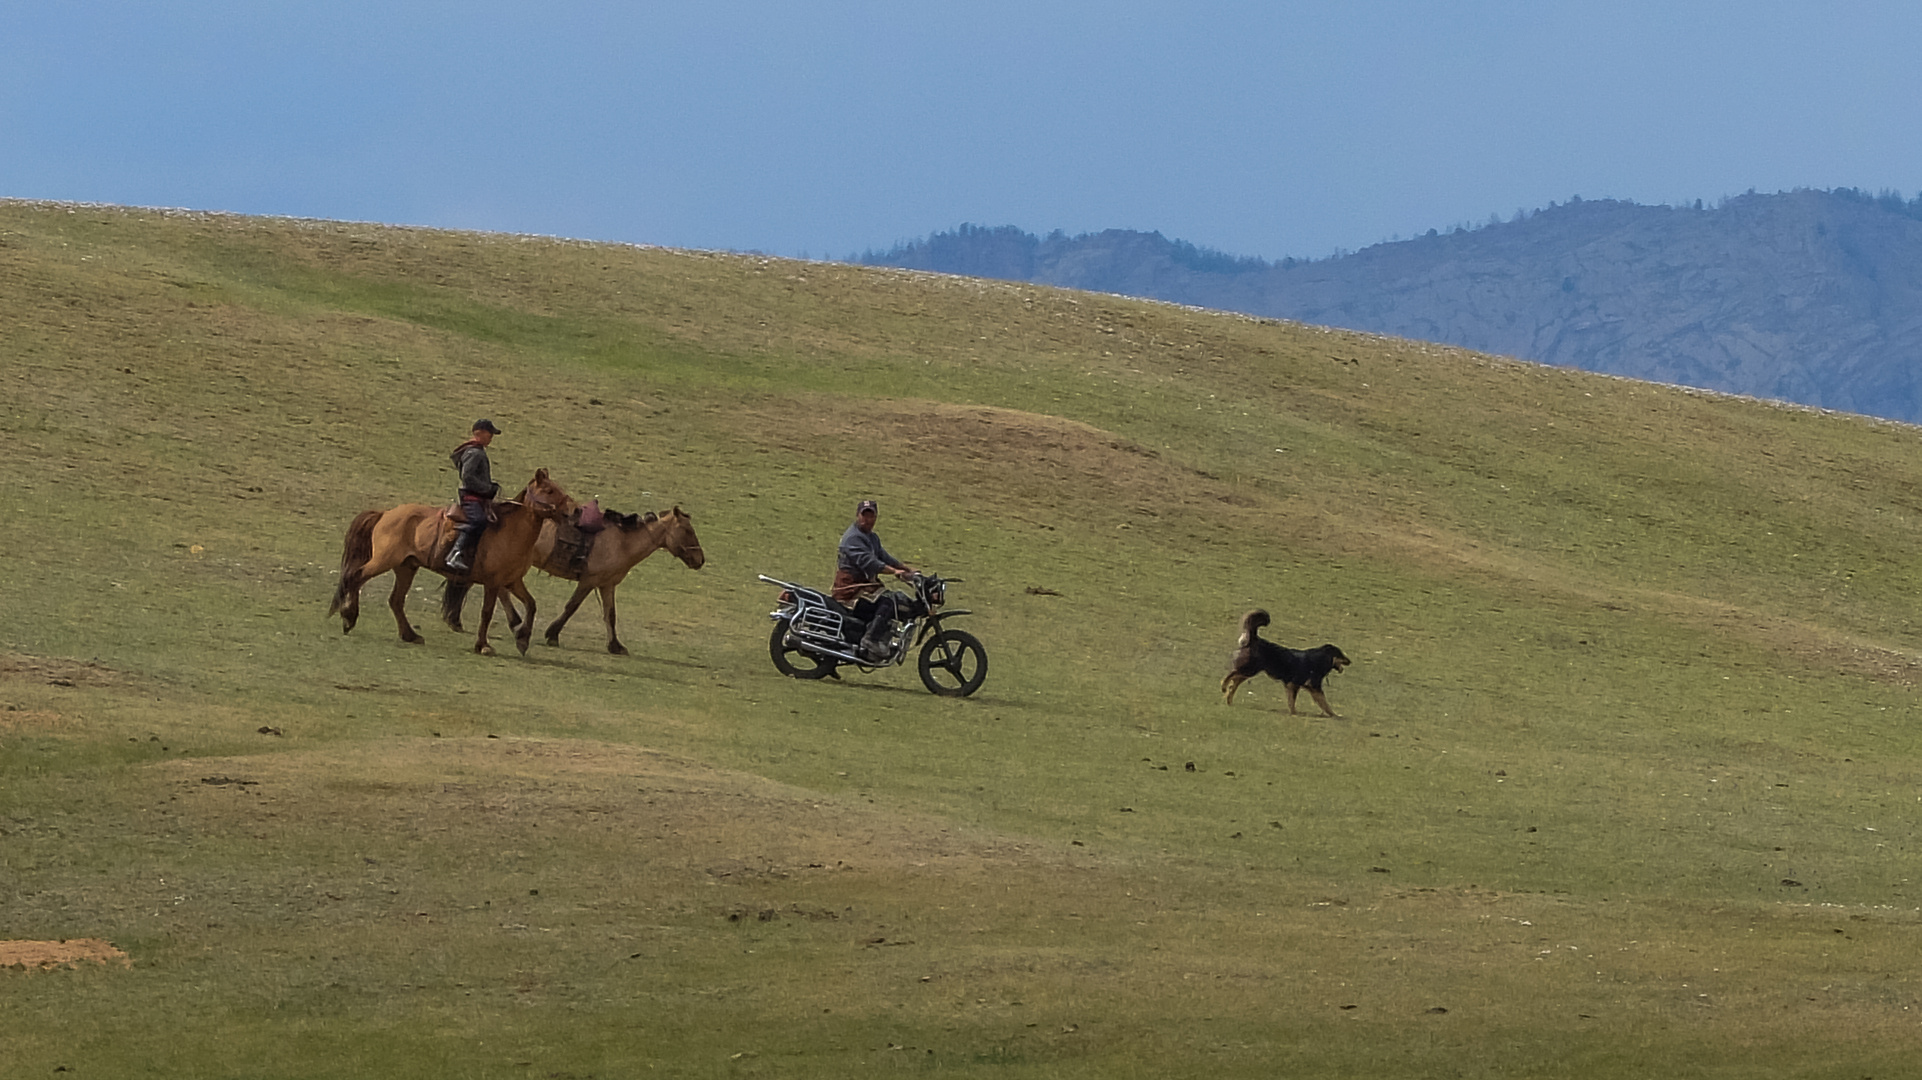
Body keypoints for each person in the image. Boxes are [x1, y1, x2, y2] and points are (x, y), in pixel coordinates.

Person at [832, 499, 916, 662]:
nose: (867, 520)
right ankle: (871, 640)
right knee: (888, 601)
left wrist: (907, 570)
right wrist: (895, 572)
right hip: (851, 588)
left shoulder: (872, 537)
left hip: (864, 585)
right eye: (864, 515)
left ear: (876, 518)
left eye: (871, 516)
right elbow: (871, 562)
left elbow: (884, 557)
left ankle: (881, 633)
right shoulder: (852, 538)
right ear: (857, 516)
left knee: (897, 598)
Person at [446, 419, 502, 573]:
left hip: (476, 496)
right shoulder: (474, 453)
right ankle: (455, 553)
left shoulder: (476, 451)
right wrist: (487, 488)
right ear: (480, 433)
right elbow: (468, 477)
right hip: (471, 498)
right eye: (490, 433)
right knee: (479, 521)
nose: (491, 437)